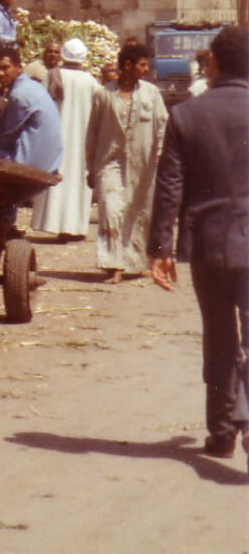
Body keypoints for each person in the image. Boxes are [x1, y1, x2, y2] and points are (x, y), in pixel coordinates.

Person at [149, 25, 249, 460]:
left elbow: (169, 185)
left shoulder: (187, 114)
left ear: (215, 63)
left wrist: (160, 248)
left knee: (219, 335)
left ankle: (223, 430)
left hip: (207, 244)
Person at [86, 42, 167, 284]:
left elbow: (162, 124)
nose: (146, 69)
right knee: (111, 210)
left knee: (137, 211)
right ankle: (114, 266)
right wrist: (90, 167)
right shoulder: (103, 94)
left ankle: (134, 262)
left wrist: (161, 153)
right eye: (142, 65)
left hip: (142, 164)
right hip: (108, 163)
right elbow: (92, 132)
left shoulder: (151, 93)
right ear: (128, 66)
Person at [33, 37, 98, 241]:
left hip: (56, 138)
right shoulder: (90, 81)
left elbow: (41, 106)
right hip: (82, 140)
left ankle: (55, 224)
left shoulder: (52, 76)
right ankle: (75, 227)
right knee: (77, 181)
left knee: (59, 178)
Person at [0, 44, 63, 174]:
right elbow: (7, 128)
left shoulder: (19, 95)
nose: (0, 73)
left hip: (30, 163)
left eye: (5, 68)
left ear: (19, 68)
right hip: (51, 160)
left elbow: (6, 139)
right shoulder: (34, 86)